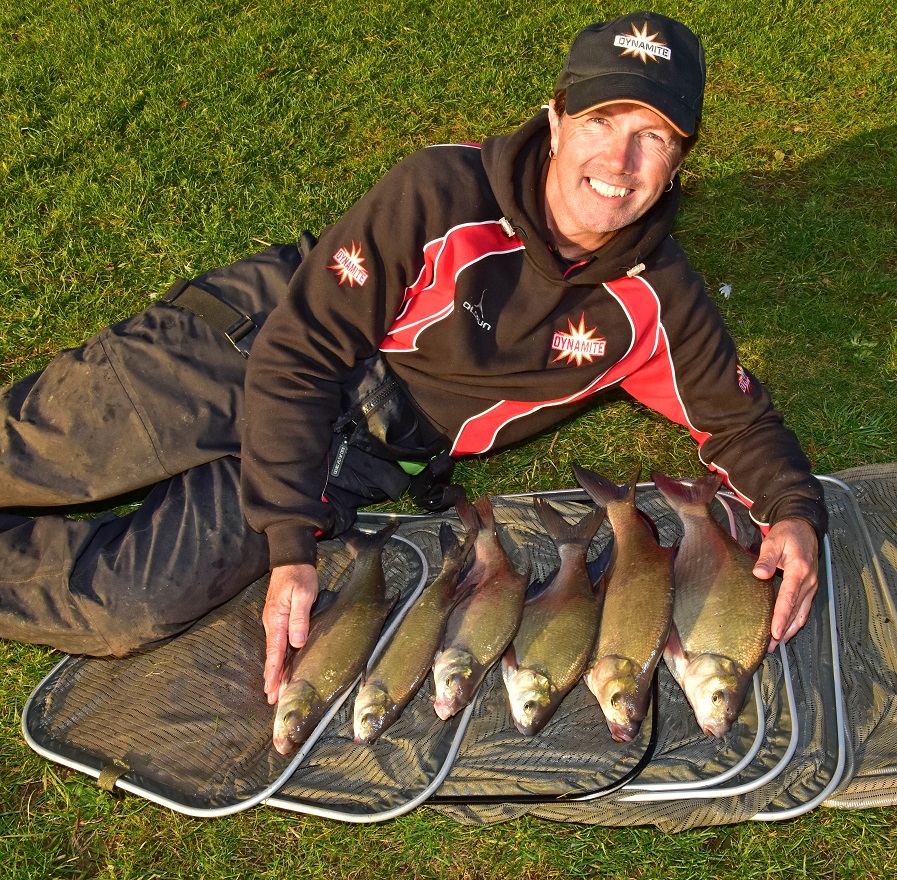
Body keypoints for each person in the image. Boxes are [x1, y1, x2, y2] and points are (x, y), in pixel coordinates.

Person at [0, 12, 824, 703]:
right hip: (253, 345)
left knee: (127, 607)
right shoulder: (439, 191)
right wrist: (291, 543)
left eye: (654, 136)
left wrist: (791, 509)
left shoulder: (658, 298)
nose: (619, 163)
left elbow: (739, 421)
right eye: (602, 122)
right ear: (555, 117)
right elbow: (301, 353)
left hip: (366, 451)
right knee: (31, 456)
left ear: (682, 158)